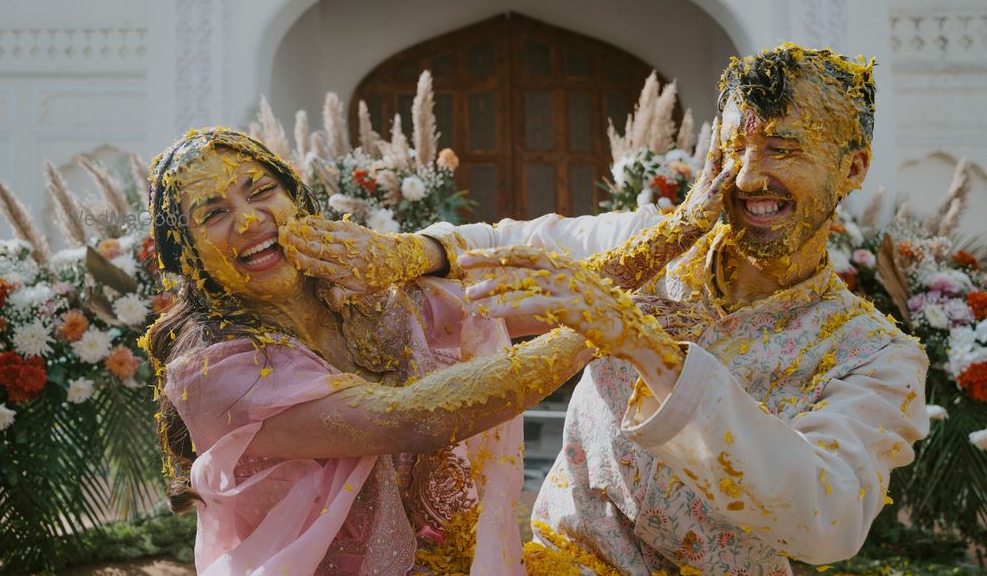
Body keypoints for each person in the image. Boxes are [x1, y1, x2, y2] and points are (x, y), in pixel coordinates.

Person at [288, 45, 930, 574]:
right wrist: (406, 253)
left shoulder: (875, 354)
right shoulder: (658, 244)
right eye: (733, 150)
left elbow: (828, 518)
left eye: (784, 149)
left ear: (853, 168)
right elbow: (513, 247)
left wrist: (639, 343)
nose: (747, 177)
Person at [141, 127, 606, 575]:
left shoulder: (368, 295)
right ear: (186, 254)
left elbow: (514, 302)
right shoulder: (210, 371)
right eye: (213, 213)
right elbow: (414, 418)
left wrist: (645, 273)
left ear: (298, 201)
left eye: (261, 191)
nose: (247, 219)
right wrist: (599, 329)